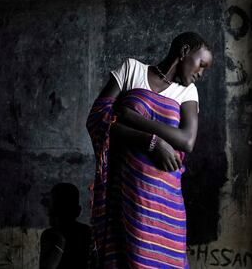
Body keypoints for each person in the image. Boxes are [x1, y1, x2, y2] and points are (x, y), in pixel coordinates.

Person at [86, 32, 213, 268]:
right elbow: (97, 118)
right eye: (201, 64)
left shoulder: (187, 93)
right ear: (185, 51)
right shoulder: (131, 70)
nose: (201, 74)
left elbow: (186, 141)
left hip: (166, 204)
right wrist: (151, 141)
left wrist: (132, 118)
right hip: (127, 197)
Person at [39, 183, 94, 269]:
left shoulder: (86, 234)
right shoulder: (49, 236)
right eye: (55, 213)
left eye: (63, 213)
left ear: (77, 211)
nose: (57, 220)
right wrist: (60, 241)